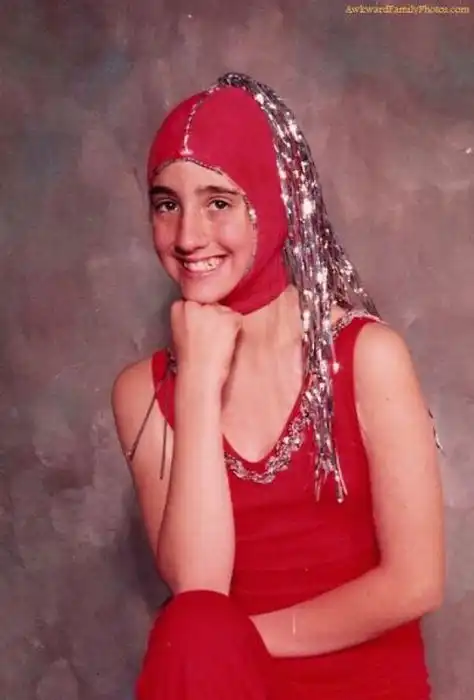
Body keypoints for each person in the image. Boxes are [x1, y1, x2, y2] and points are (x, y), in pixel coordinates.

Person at [112, 73, 444, 700]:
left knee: (197, 635)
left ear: (274, 200)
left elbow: (416, 581)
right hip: (227, 683)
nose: (188, 237)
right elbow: (200, 590)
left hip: (362, 684)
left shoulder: (367, 356)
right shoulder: (142, 393)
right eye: (166, 204)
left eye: (218, 202)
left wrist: (241, 639)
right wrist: (198, 380)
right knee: (194, 623)